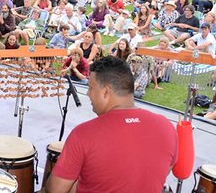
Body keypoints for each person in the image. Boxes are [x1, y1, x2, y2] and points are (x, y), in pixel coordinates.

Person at [47, 56, 178, 193]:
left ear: (105, 92)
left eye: (90, 88)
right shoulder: (166, 127)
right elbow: (166, 169)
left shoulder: (84, 134)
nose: (88, 94)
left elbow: (55, 190)